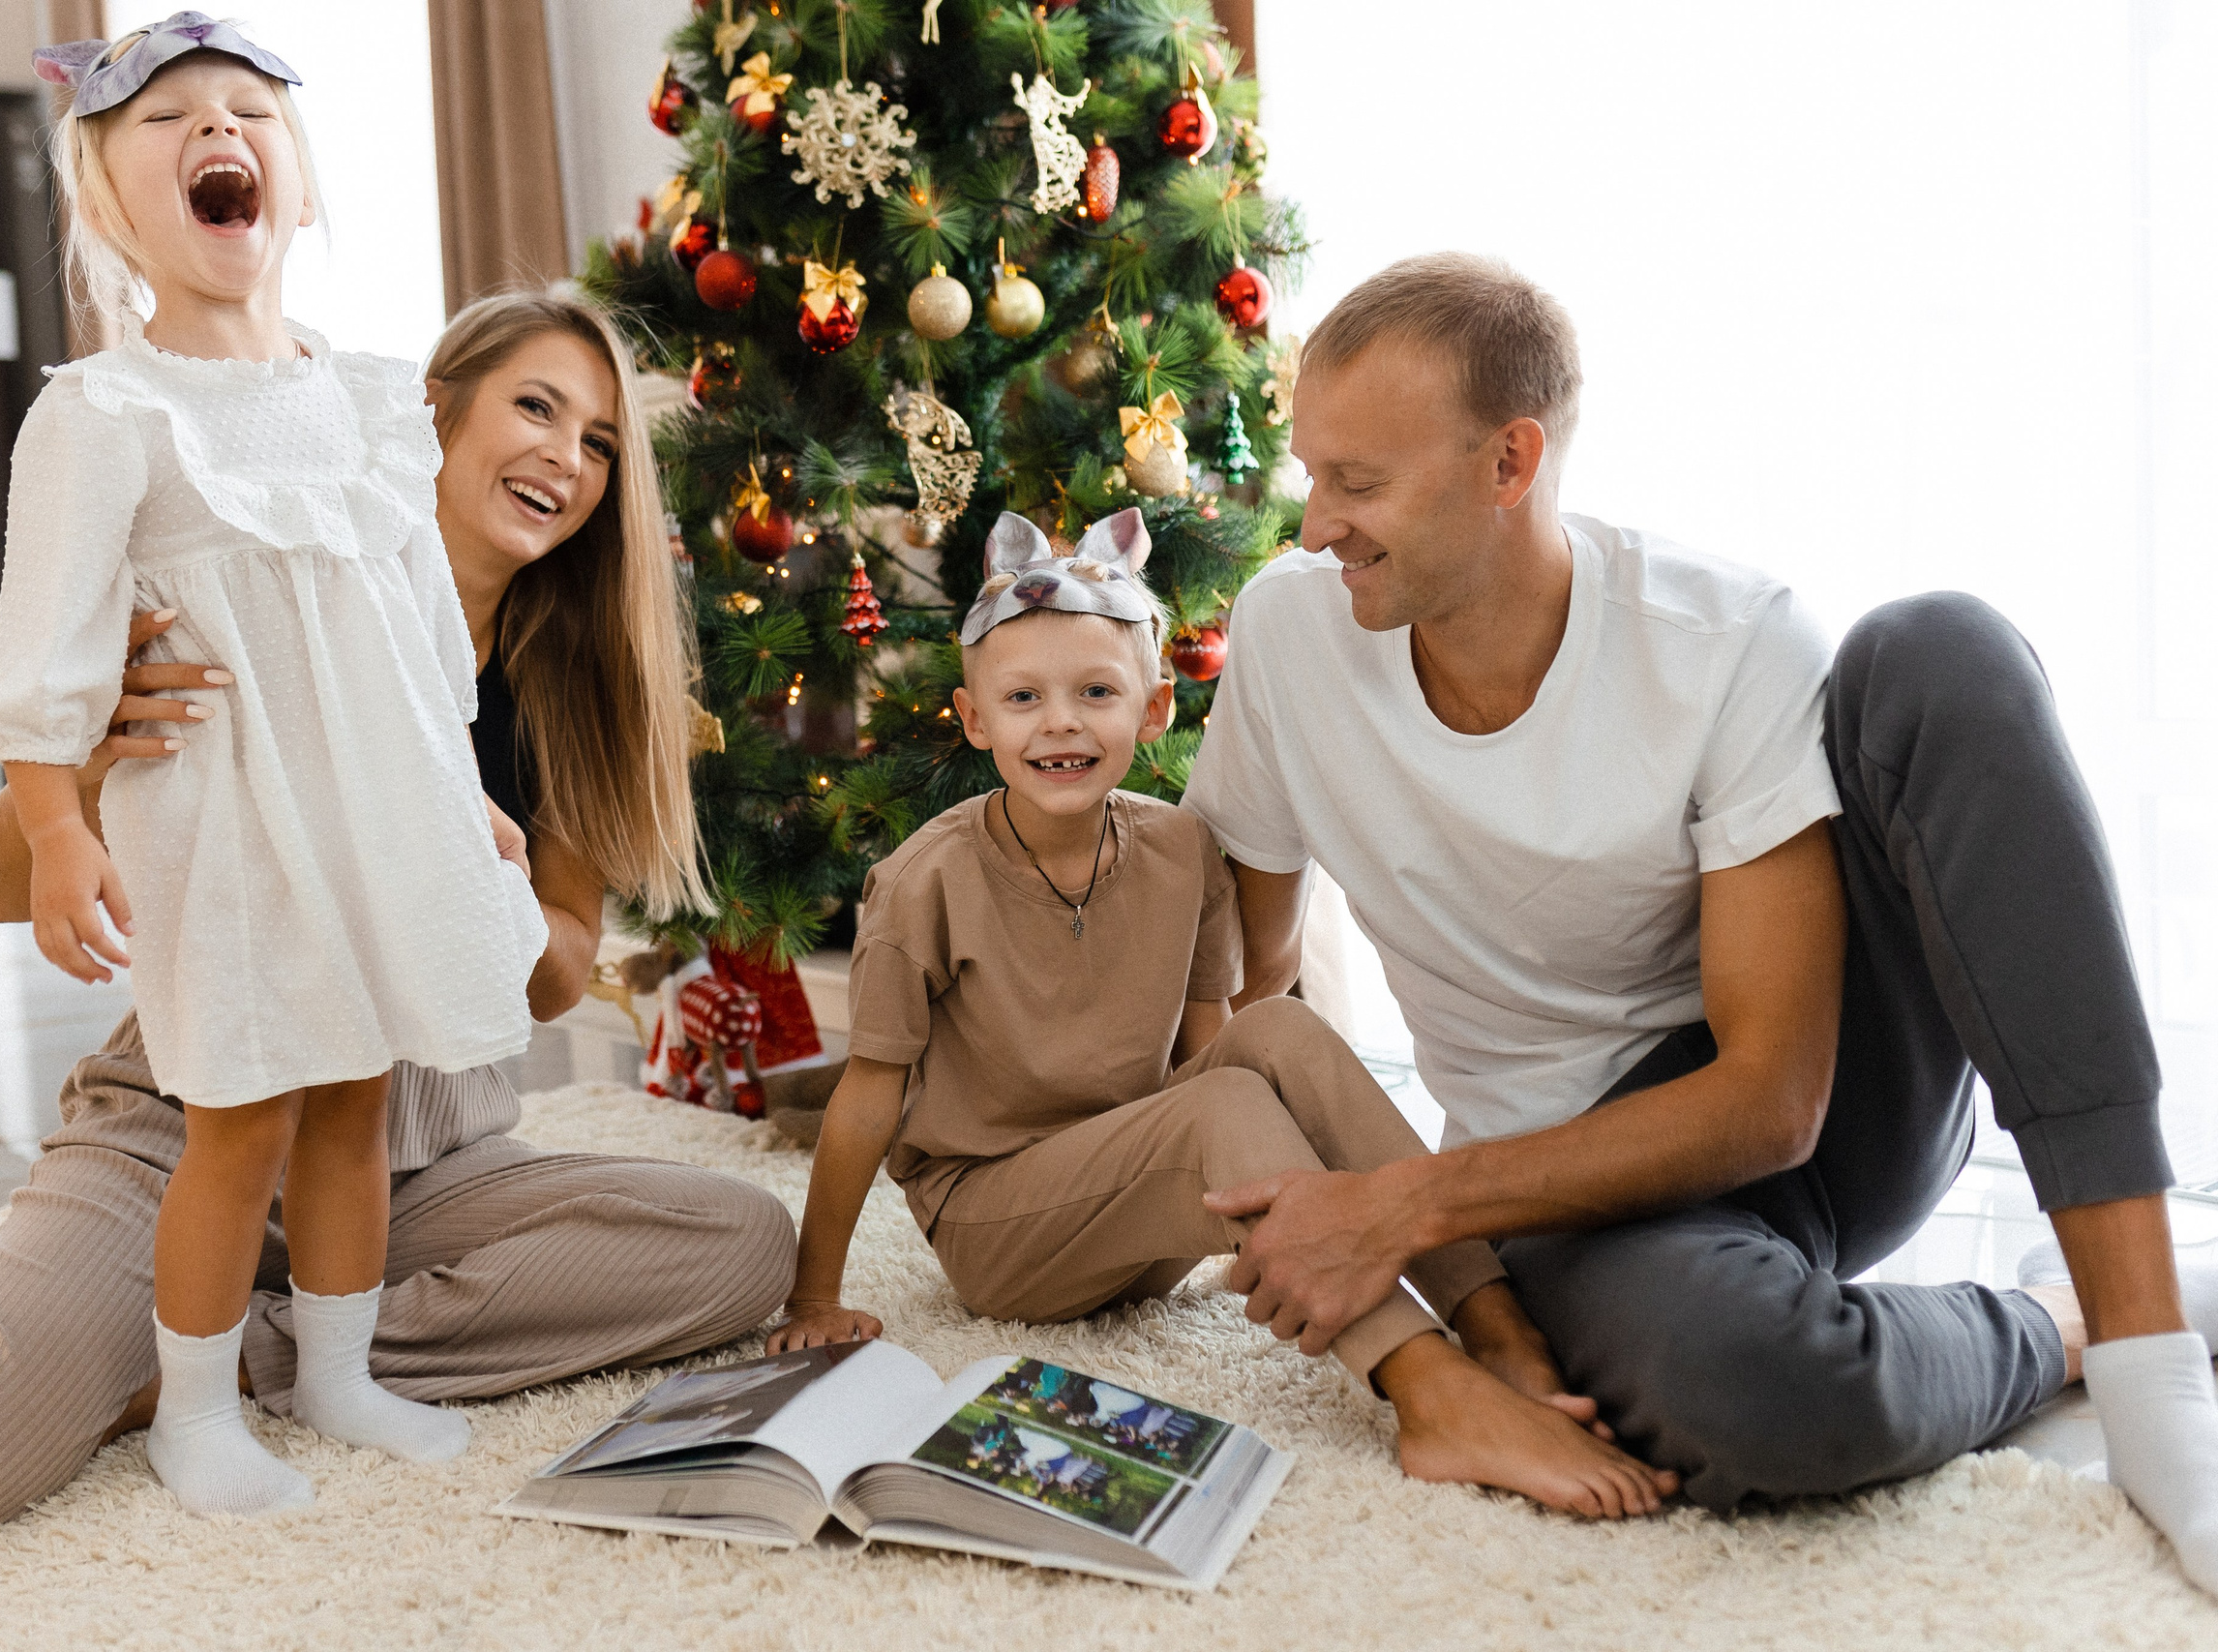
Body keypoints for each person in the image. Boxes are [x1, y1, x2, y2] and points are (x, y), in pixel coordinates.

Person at [1182, 252, 2218, 1585]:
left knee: (1941, 647)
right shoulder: (1288, 636)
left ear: (1509, 463)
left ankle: (2144, 1346)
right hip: (1562, 1177)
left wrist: (1404, 1205)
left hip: (1821, 1103)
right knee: (1761, 1392)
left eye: (1359, 483)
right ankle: (2055, 1320)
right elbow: (1252, 979)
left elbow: (1772, 1099)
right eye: (1311, 474)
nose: (1316, 524)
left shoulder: (1724, 638)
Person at [0, 291, 787, 1547]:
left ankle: (204, 1361)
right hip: (193, 1107)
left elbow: (558, 974)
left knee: (733, 1244)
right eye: (536, 407)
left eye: (602, 442)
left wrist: (456, 874)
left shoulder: (570, 687)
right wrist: (88, 757)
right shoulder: (227, 593)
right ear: (427, 415)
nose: (568, 456)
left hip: (423, 1142)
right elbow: (2, 888)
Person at [765, 508, 1678, 1519]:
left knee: (1275, 1027)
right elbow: (867, 1098)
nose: (1059, 723)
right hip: (1000, 1233)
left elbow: (1215, 1052)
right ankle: (1429, 1387)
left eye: (1095, 692)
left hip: (1141, 1218)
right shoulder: (922, 883)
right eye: (1022, 698)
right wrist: (814, 1297)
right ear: (974, 719)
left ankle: (1498, 1324)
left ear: (1155, 707)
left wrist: (1252, 1208)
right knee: (1220, 1106)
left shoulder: (1180, 851)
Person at [0, 15, 555, 1517]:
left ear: (294, 179)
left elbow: (422, 629)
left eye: (249, 114)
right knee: (241, 1115)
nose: (218, 133)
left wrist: (467, 794)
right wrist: (60, 831)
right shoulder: (106, 413)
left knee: (358, 1092)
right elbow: (45, 659)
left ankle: (339, 1373)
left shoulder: (366, 397)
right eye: (171, 122)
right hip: (223, 816)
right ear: (111, 202)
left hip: (374, 803)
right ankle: (195, 1408)